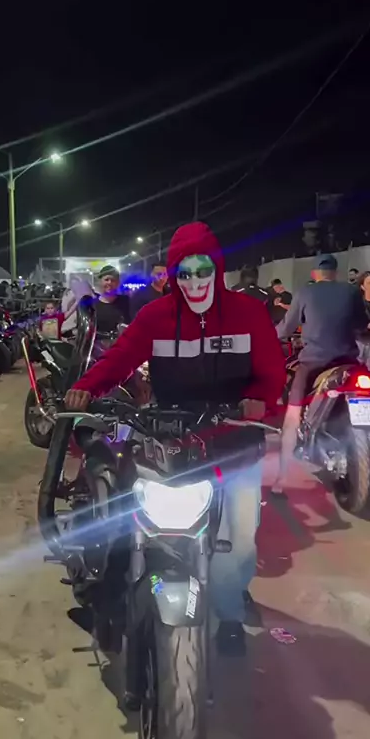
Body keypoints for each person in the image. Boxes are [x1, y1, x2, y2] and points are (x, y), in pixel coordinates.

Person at [65, 222, 286, 656]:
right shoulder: (156, 316)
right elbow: (121, 357)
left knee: (238, 539)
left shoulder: (248, 314)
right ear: (173, 275)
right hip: (172, 444)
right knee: (140, 523)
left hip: (236, 444)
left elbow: (272, 371)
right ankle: (125, 597)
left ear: (217, 270)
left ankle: (229, 615)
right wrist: (87, 387)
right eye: (185, 273)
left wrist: (259, 400)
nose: (195, 282)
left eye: (204, 271)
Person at [274, 254, 368, 494]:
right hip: (348, 363)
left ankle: (281, 480)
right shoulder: (351, 292)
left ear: (315, 273)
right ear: (335, 272)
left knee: (292, 417)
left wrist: (268, 335)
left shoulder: (306, 292)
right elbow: (361, 326)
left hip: (314, 363)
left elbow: (286, 327)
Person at [94, 265, 130, 332]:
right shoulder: (93, 305)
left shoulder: (126, 302)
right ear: (100, 282)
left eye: (113, 280)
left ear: (118, 283)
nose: (109, 283)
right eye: (106, 280)